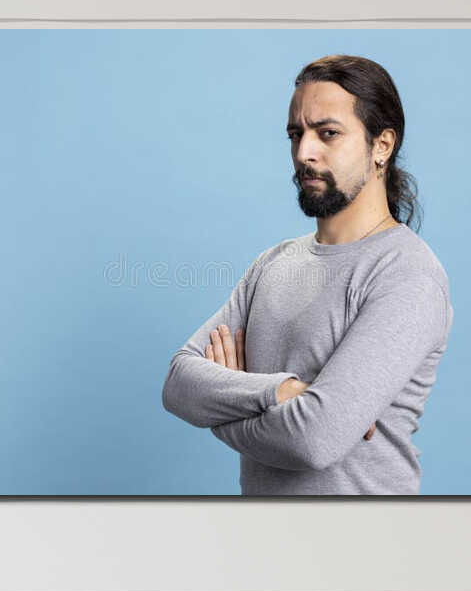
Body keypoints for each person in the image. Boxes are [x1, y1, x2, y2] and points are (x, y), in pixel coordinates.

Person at [161, 55, 453, 496]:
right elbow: (179, 384)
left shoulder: (406, 274)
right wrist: (285, 392)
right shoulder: (274, 262)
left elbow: (312, 441)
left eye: (328, 133)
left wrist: (221, 412)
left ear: (382, 145)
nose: (304, 153)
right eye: (296, 134)